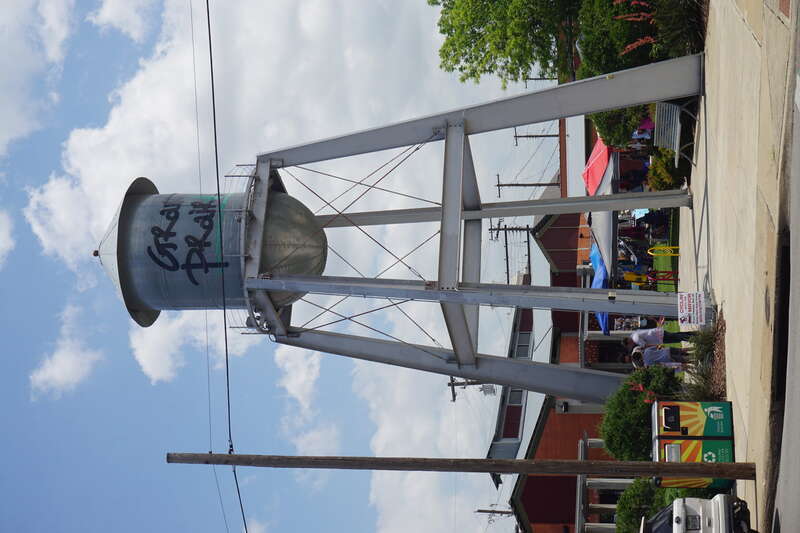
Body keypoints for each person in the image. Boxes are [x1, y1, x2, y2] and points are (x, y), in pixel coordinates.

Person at [623, 317, 695, 351]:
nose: (630, 346)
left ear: (628, 342)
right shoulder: (633, 334)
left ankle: (695, 338)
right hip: (658, 333)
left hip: (659, 337)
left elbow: (646, 345)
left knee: (678, 337)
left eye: (629, 345)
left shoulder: (635, 339)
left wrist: (657, 346)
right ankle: (694, 334)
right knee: (677, 335)